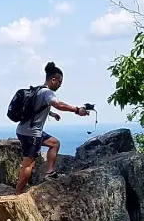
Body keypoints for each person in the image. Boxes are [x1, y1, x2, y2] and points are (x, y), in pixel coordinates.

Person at [14, 61, 89, 194]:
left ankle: (50, 172)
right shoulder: (48, 93)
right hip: (32, 133)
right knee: (29, 164)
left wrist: (52, 114)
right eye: (60, 81)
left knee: (54, 143)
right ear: (53, 80)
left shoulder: (38, 90)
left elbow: (37, 107)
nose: (60, 84)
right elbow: (59, 104)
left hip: (25, 130)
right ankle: (18, 193)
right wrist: (77, 110)